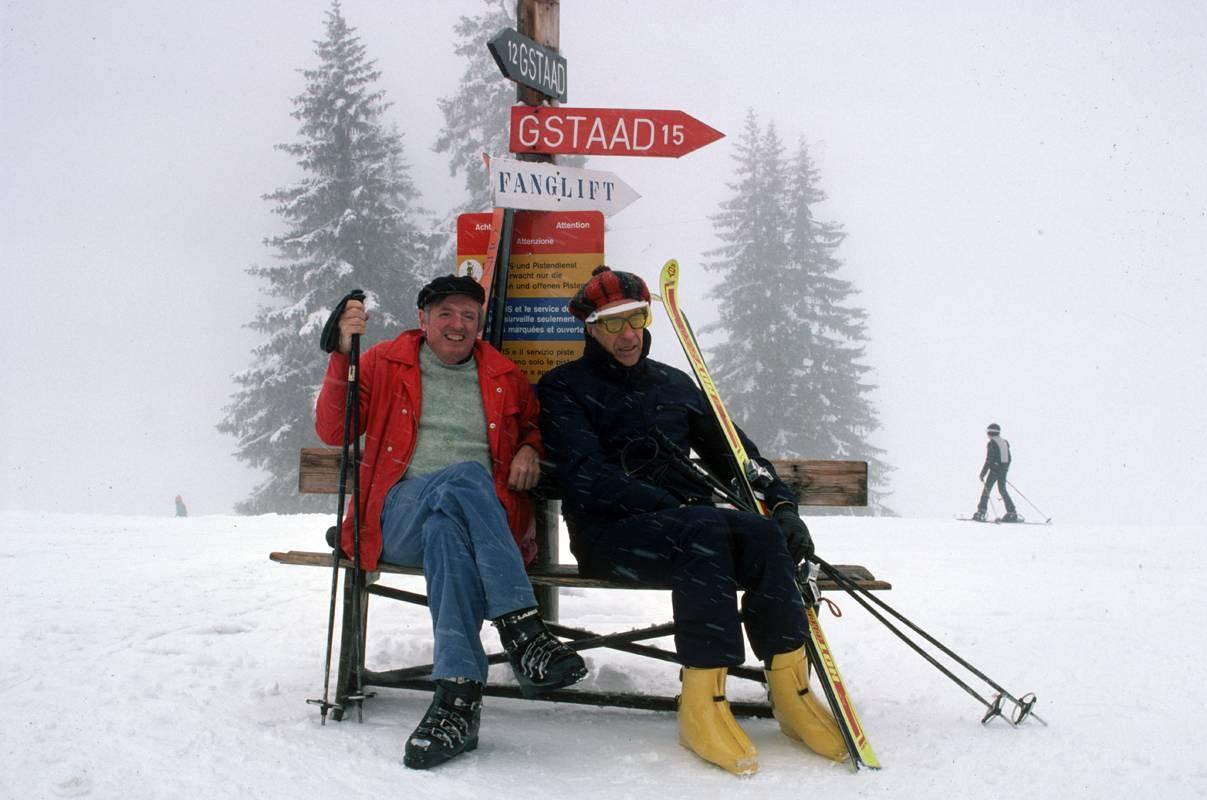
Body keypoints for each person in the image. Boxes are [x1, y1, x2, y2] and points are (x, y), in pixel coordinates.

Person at [537, 266, 847, 776]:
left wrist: (784, 506)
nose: (628, 334)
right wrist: (673, 506)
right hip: (610, 536)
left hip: (686, 531)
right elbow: (584, 476)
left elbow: (738, 457)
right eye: (612, 324)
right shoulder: (565, 387)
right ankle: (703, 703)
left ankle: (789, 690)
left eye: (636, 318)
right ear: (590, 328)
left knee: (764, 534)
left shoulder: (675, 385)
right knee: (705, 531)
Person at [314, 275, 587, 770]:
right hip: (395, 518)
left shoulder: (504, 376)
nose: (457, 326)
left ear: (479, 324)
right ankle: (523, 630)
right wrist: (341, 355)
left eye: (468, 316)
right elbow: (335, 430)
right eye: (446, 314)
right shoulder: (384, 363)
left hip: (473, 531)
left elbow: (534, 428)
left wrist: (530, 446)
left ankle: (456, 702)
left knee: (448, 532)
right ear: (423, 320)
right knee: (462, 479)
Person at [973, 422, 1018, 522]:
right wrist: (1004, 470)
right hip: (1003, 469)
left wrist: (983, 473)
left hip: (994, 470)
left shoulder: (991, 443)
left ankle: (981, 511)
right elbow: (1009, 458)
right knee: (1002, 490)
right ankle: (1012, 512)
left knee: (986, 490)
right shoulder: (1005, 442)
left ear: (990, 433)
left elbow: (989, 459)